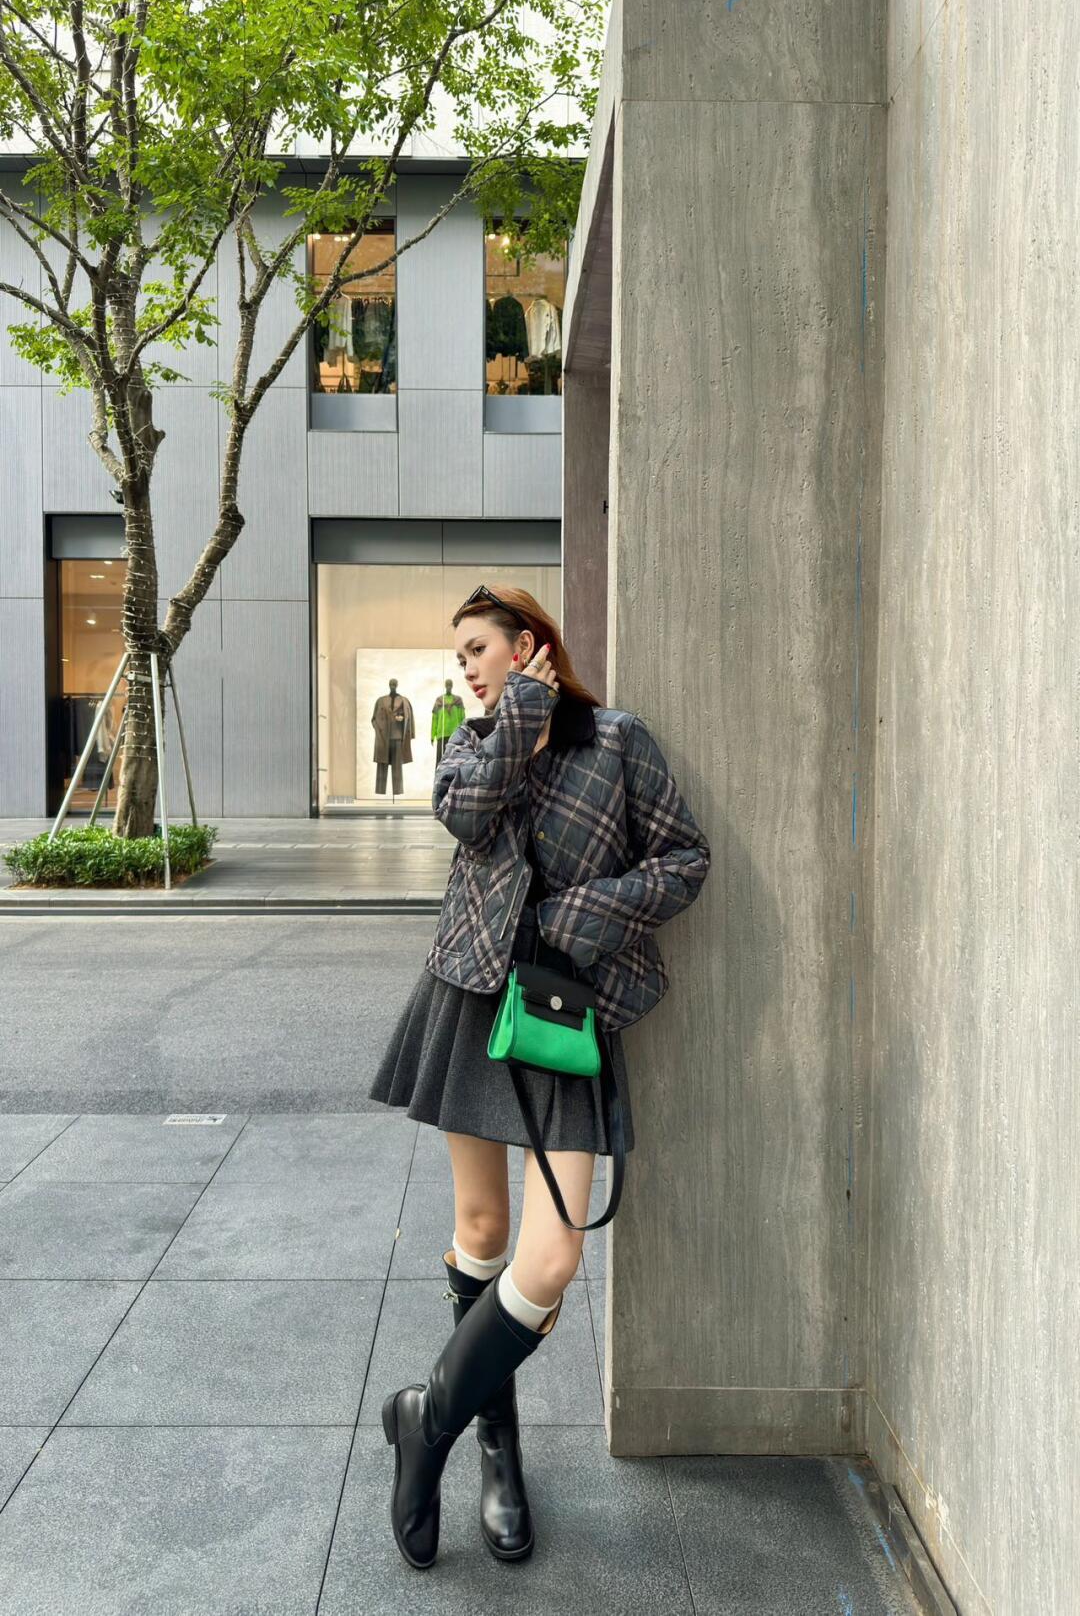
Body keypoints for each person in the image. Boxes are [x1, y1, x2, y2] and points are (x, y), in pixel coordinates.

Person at [367, 584, 711, 1571]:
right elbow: (467, 817)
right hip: (473, 999)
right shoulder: (470, 745)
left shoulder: (617, 740)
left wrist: (580, 917)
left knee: (551, 1260)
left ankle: (427, 1416)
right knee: (481, 1231)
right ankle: (497, 1449)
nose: (466, 668)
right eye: (461, 657)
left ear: (528, 644)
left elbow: (685, 858)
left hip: (562, 1008)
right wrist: (516, 712)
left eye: (480, 649)